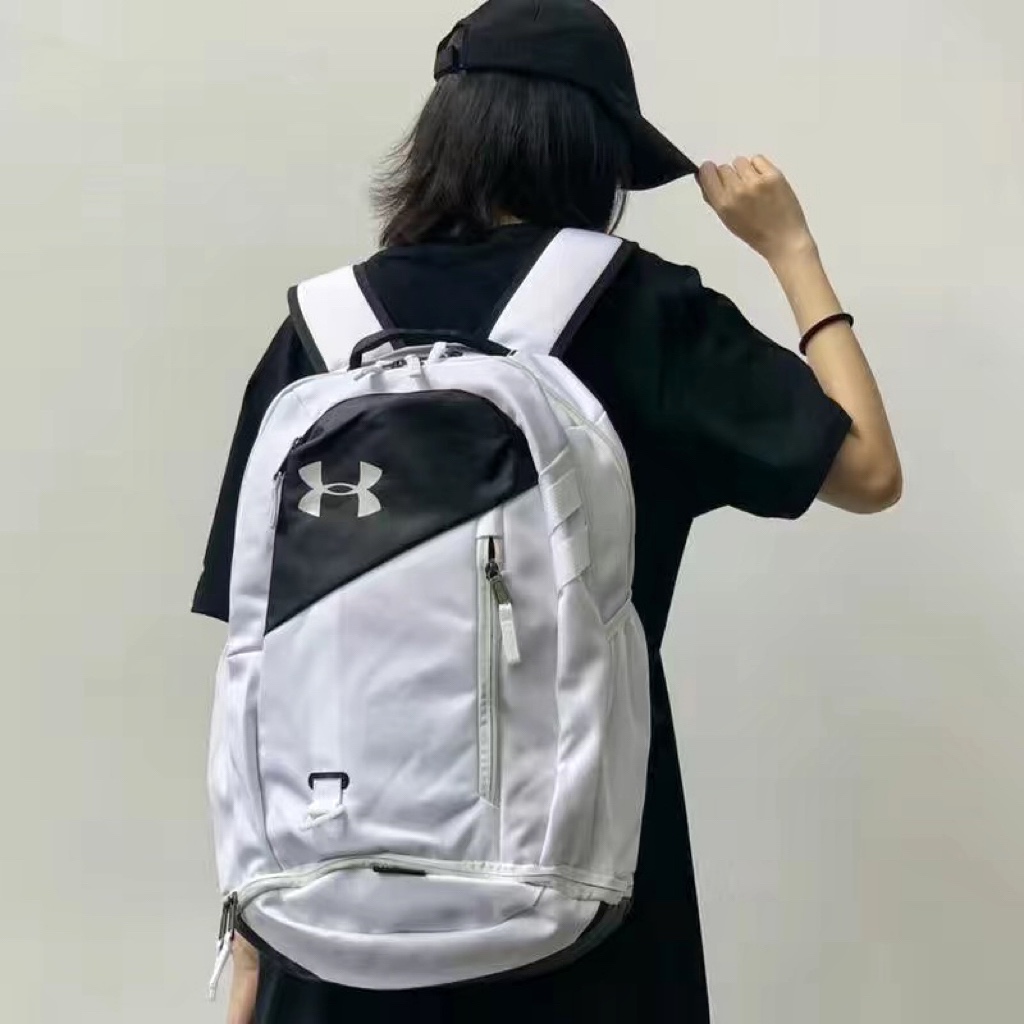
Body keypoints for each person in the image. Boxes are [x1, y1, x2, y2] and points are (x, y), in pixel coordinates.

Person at [192, 1, 901, 1021]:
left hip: (329, 919)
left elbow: (256, 647)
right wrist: (791, 249)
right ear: (590, 151)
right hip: (580, 908)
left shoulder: (320, 331)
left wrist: (249, 945)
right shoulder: (641, 307)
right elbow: (869, 470)